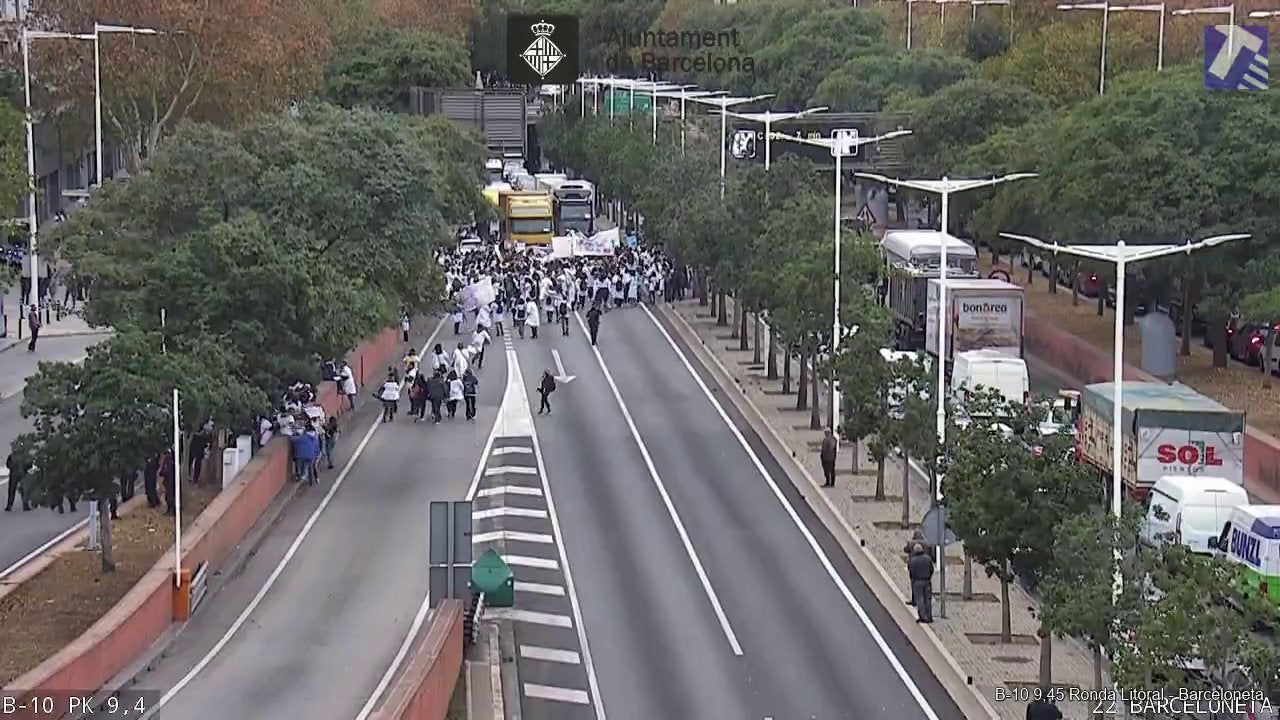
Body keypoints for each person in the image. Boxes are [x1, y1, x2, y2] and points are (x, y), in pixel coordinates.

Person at [907, 543, 935, 623]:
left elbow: (911, 572)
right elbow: (931, 569)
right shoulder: (928, 559)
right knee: (928, 600)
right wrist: (929, 577)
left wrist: (913, 579)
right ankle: (929, 616)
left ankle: (923, 617)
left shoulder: (913, 560)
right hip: (927, 581)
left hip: (917, 581)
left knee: (920, 599)